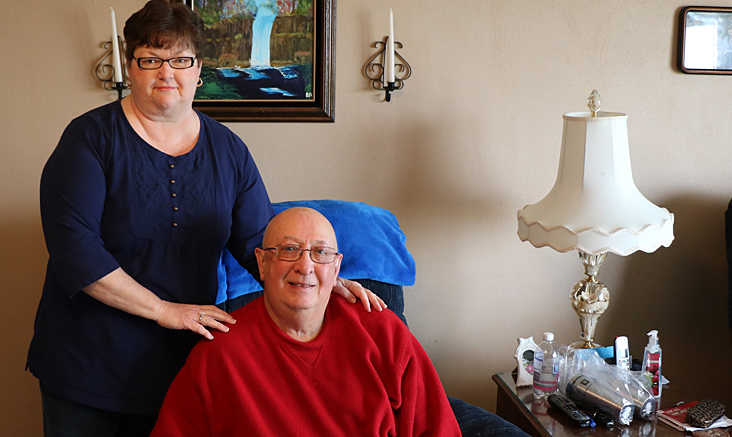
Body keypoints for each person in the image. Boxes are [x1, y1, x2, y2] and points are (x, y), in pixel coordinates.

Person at [26, 2, 381, 436]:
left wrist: (322, 280)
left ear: (199, 70)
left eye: (180, 60)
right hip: (88, 368)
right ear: (131, 67)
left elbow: (259, 246)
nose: (165, 73)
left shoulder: (228, 150)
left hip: (186, 368)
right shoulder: (88, 140)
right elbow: (76, 253)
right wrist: (164, 310)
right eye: (150, 59)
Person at [151, 207, 462, 436]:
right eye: (289, 250)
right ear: (262, 262)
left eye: (321, 252)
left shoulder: (384, 333)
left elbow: (439, 430)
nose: (305, 266)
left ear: (337, 267)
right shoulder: (218, 355)